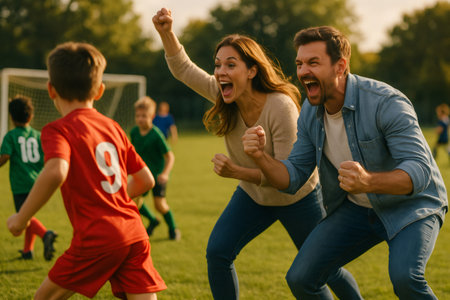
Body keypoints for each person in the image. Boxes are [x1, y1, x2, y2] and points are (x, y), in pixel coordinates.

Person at [153, 8, 362, 300]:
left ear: (252, 71)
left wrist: (236, 171)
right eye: (217, 65)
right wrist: (166, 32)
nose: (220, 72)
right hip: (254, 196)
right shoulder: (224, 94)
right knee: (218, 252)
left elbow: (288, 176)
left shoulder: (280, 106)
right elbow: (183, 69)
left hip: (299, 198)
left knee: (324, 269)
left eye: (230, 65)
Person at [242, 26, 448, 299]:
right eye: (300, 63)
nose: (303, 71)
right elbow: (291, 178)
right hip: (358, 210)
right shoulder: (309, 112)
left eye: (313, 62)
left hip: (411, 207)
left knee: (405, 278)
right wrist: (260, 156)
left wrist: (368, 181)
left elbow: (420, 171)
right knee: (301, 277)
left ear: (341, 66)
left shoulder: (386, 102)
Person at [6, 42, 166, 300]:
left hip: (97, 237)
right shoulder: (114, 126)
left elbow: (56, 170)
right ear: (101, 90)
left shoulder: (58, 129)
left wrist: (21, 218)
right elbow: (145, 179)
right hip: (134, 232)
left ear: (50, 90)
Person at [0, 96, 57, 261]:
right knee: (28, 215)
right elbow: (47, 156)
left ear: (11, 117)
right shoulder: (38, 135)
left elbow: (4, 156)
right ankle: (27, 251)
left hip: (21, 184)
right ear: (30, 116)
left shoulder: (11, 136)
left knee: (24, 216)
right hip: (38, 183)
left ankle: (45, 234)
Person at [130, 96, 180, 241]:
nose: (140, 119)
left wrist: (165, 174)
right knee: (132, 201)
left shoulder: (156, 135)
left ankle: (173, 229)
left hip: (157, 176)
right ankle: (153, 220)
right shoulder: (134, 132)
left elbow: (170, 156)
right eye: (138, 115)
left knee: (160, 205)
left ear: (152, 116)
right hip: (141, 175)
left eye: (144, 116)